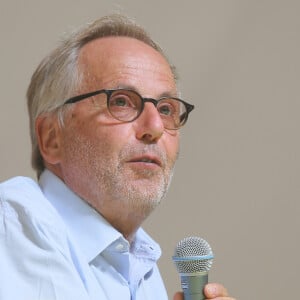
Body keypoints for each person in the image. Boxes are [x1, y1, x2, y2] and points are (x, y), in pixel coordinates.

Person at [0, 14, 234, 300]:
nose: (155, 128)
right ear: (52, 137)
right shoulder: (14, 219)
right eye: (121, 101)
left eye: (166, 109)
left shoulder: (139, 262)